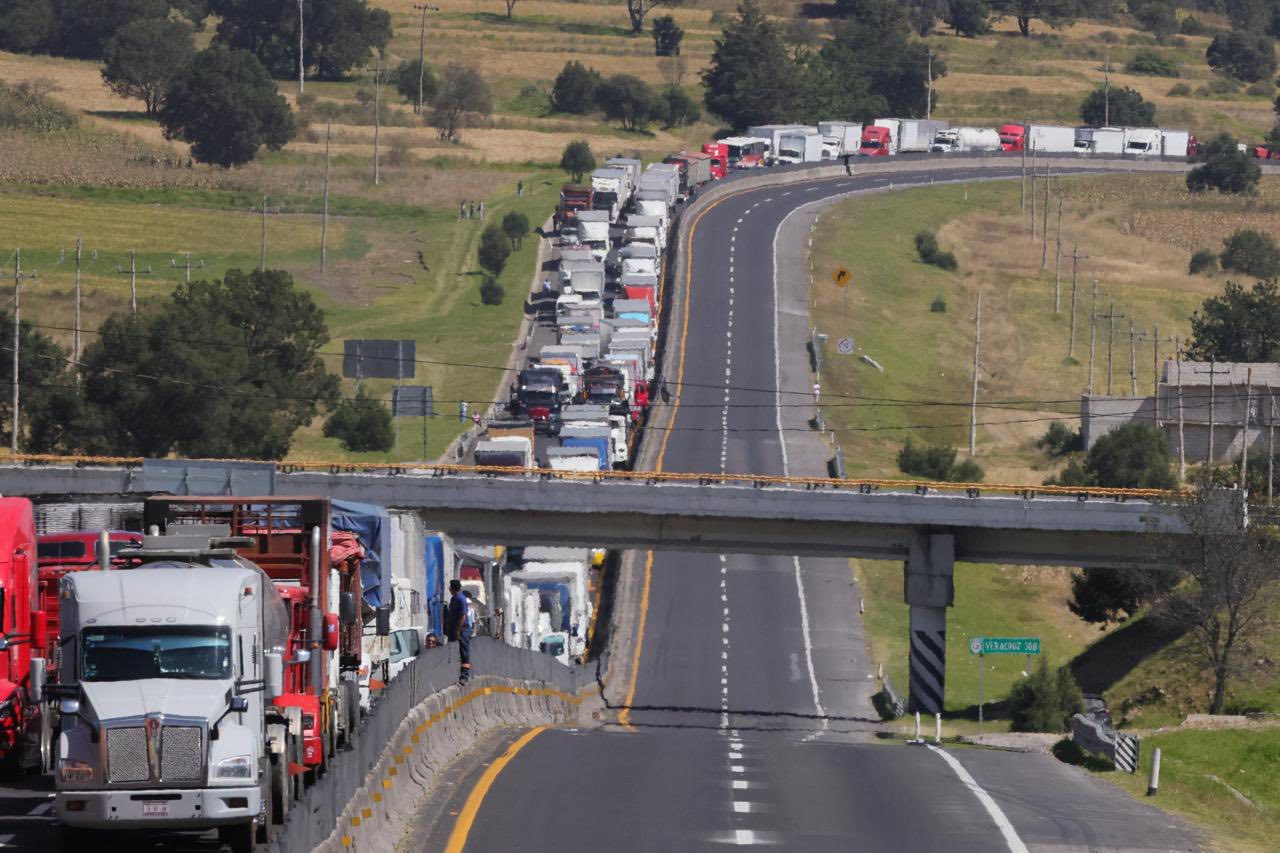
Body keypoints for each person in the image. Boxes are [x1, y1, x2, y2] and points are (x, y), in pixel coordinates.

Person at [446, 579, 472, 683]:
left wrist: (458, 630)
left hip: (462, 629)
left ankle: (464, 675)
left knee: (463, 651)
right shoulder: (453, 599)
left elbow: (463, 616)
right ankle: (452, 673)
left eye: (450, 588)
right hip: (454, 629)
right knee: (452, 650)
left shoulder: (461, 599)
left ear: (453, 588)